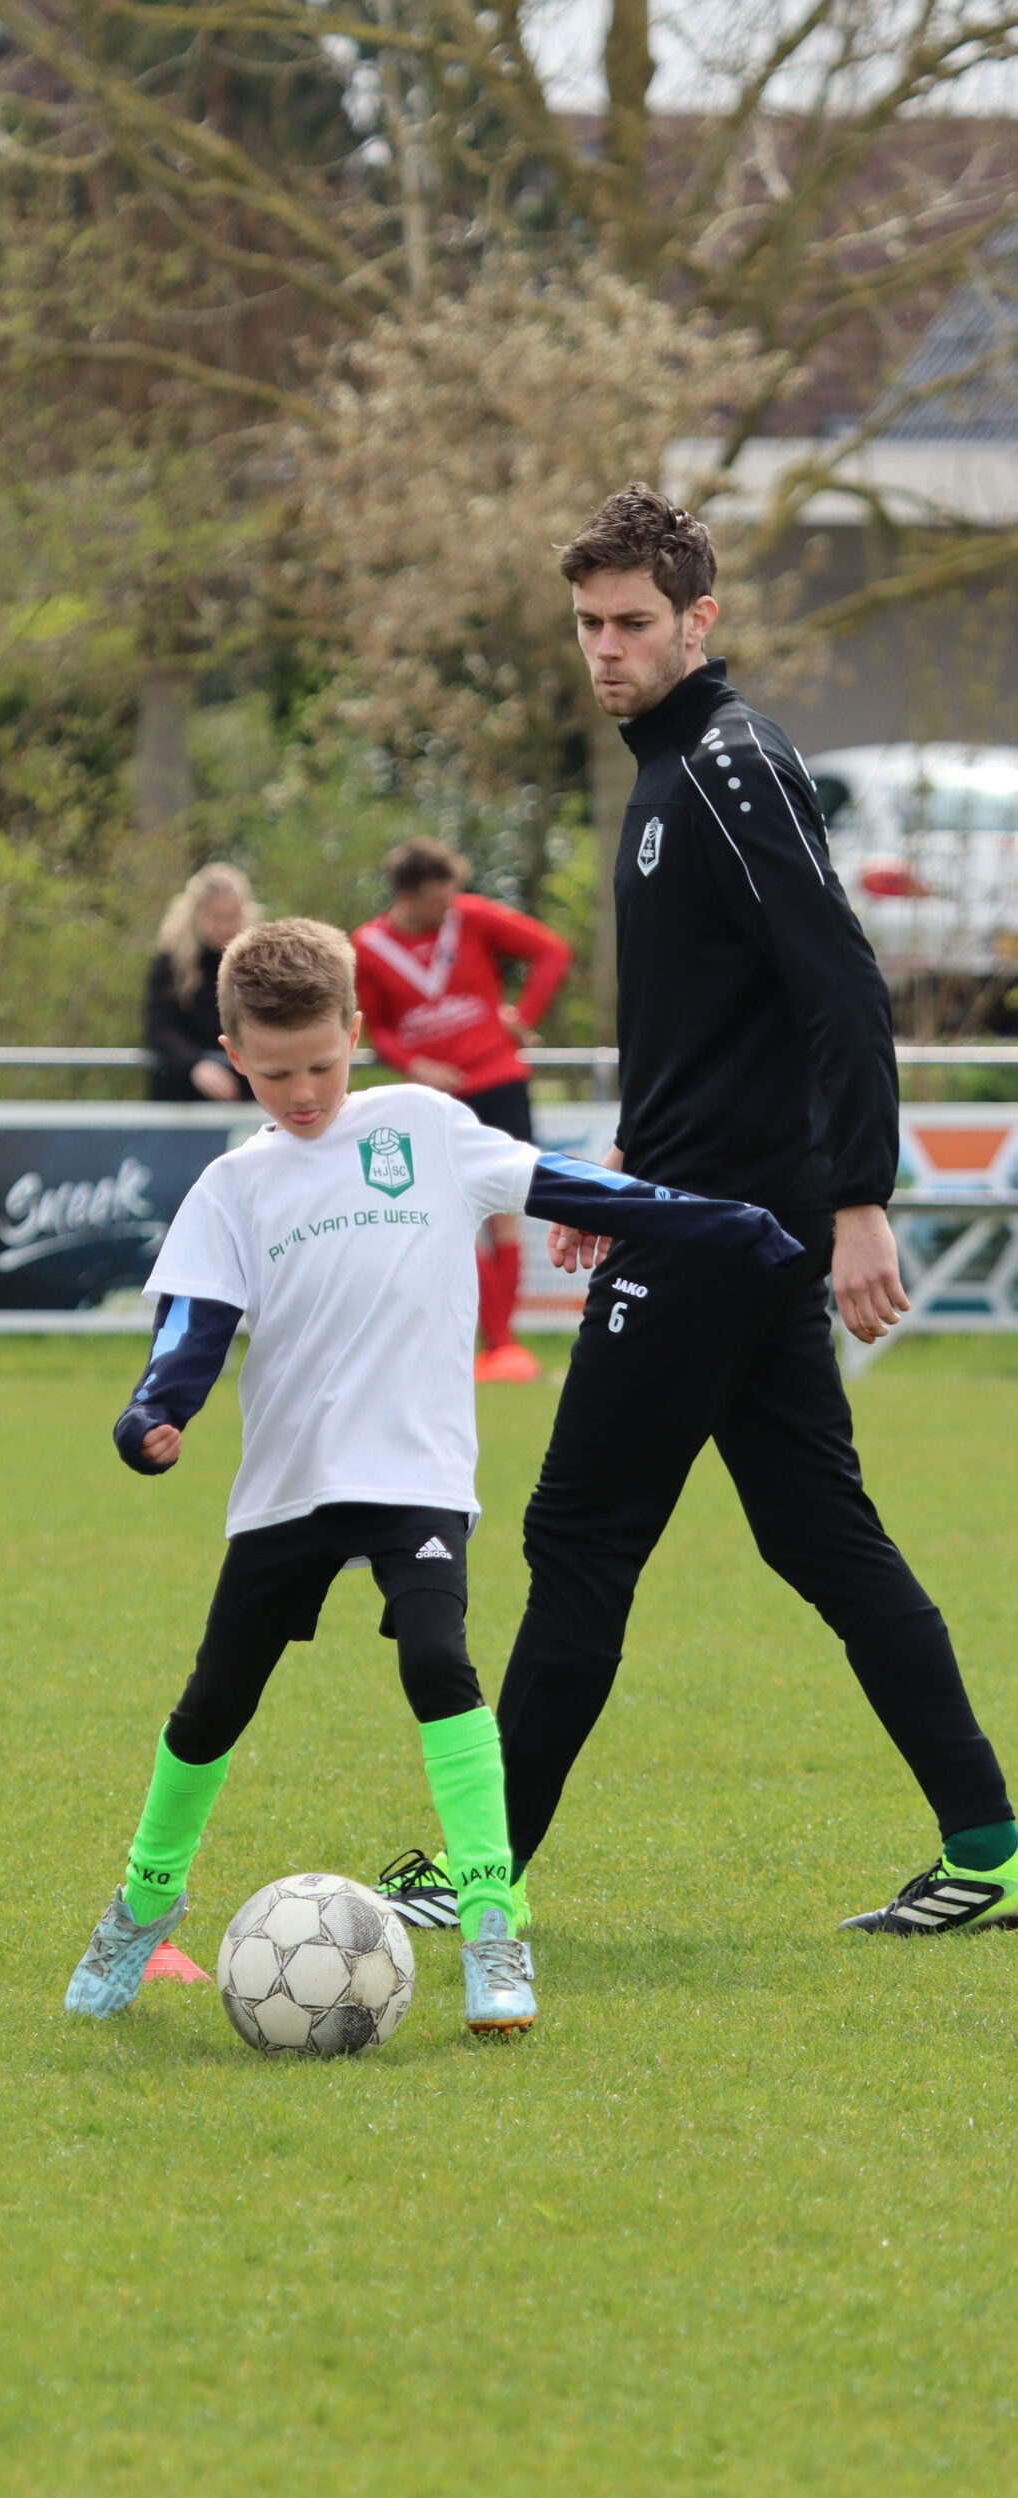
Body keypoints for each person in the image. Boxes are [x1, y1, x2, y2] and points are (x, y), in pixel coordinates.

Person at [383, 483, 1018, 1943]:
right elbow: (712, 1022)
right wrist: (618, 1169)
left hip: (722, 1230)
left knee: (578, 1531)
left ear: (697, 619)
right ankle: (989, 1845)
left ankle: (480, 1869)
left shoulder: (729, 765)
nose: (604, 649)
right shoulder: (669, 769)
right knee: (819, 1536)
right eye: (587, 625)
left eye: (630, 622)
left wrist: (862, 1198)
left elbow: (839, 982)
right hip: (697, 1209)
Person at [62, 918, 805, 2033]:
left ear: (356, 1031)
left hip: (414, 1469)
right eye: (273, 1073)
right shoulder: (232, 1186)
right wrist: (151, 1414)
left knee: (437, 1659)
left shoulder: (422, 1126)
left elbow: (567, 1186)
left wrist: (726, 1224)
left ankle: (494, 1925)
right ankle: (142, 1905)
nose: (301, 1093)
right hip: (290, 1485)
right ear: (232, 1052)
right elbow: (192, 1329)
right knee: (214, 1702)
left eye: (321, 1066)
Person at [352, 839, 571, 1385]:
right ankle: (490, 1343)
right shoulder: (368, 946)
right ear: (406, 897)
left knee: (502, 1213)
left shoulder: (470, 915)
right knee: (448, 1215)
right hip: (434, 1097)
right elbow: (376, 1026)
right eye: (435, 898)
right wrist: (414, 1065)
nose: (447, 906)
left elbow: (551, 951)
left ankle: (503, 1347)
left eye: (450, 894)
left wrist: (524, 1015)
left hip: (498, 1081)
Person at [144, 862, 258, 1102]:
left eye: (231, 917)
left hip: (246, 1098)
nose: (225, 927)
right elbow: (161, 1028)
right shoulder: (171, 964)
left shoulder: (258, 962)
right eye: (216, 917)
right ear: (196, 915)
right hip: (183, 1098)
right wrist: (195, 1064)